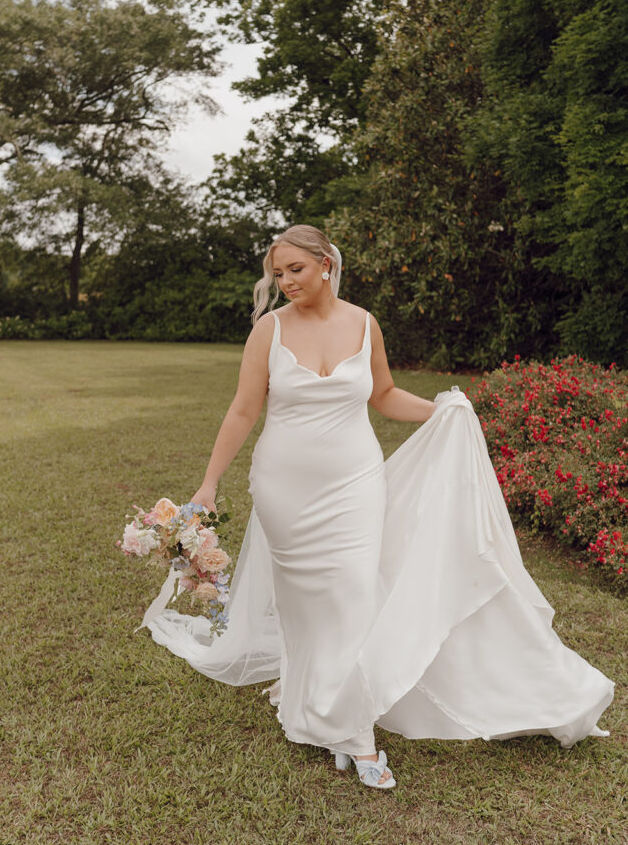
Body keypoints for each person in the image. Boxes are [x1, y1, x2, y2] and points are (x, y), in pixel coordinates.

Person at [145, 224, 614, 791]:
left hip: (354, 485)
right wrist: (208, 484)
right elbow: (244, 410)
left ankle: (350, 730)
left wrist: (443, 409)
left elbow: (384, 395)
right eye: (278, 273)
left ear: (325, 264)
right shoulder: (268, 331)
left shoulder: (365, 324)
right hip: (283, 487)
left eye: (295, 269)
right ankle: (312, 694)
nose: (286, 281)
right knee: (306, 605)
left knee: (349, 594)